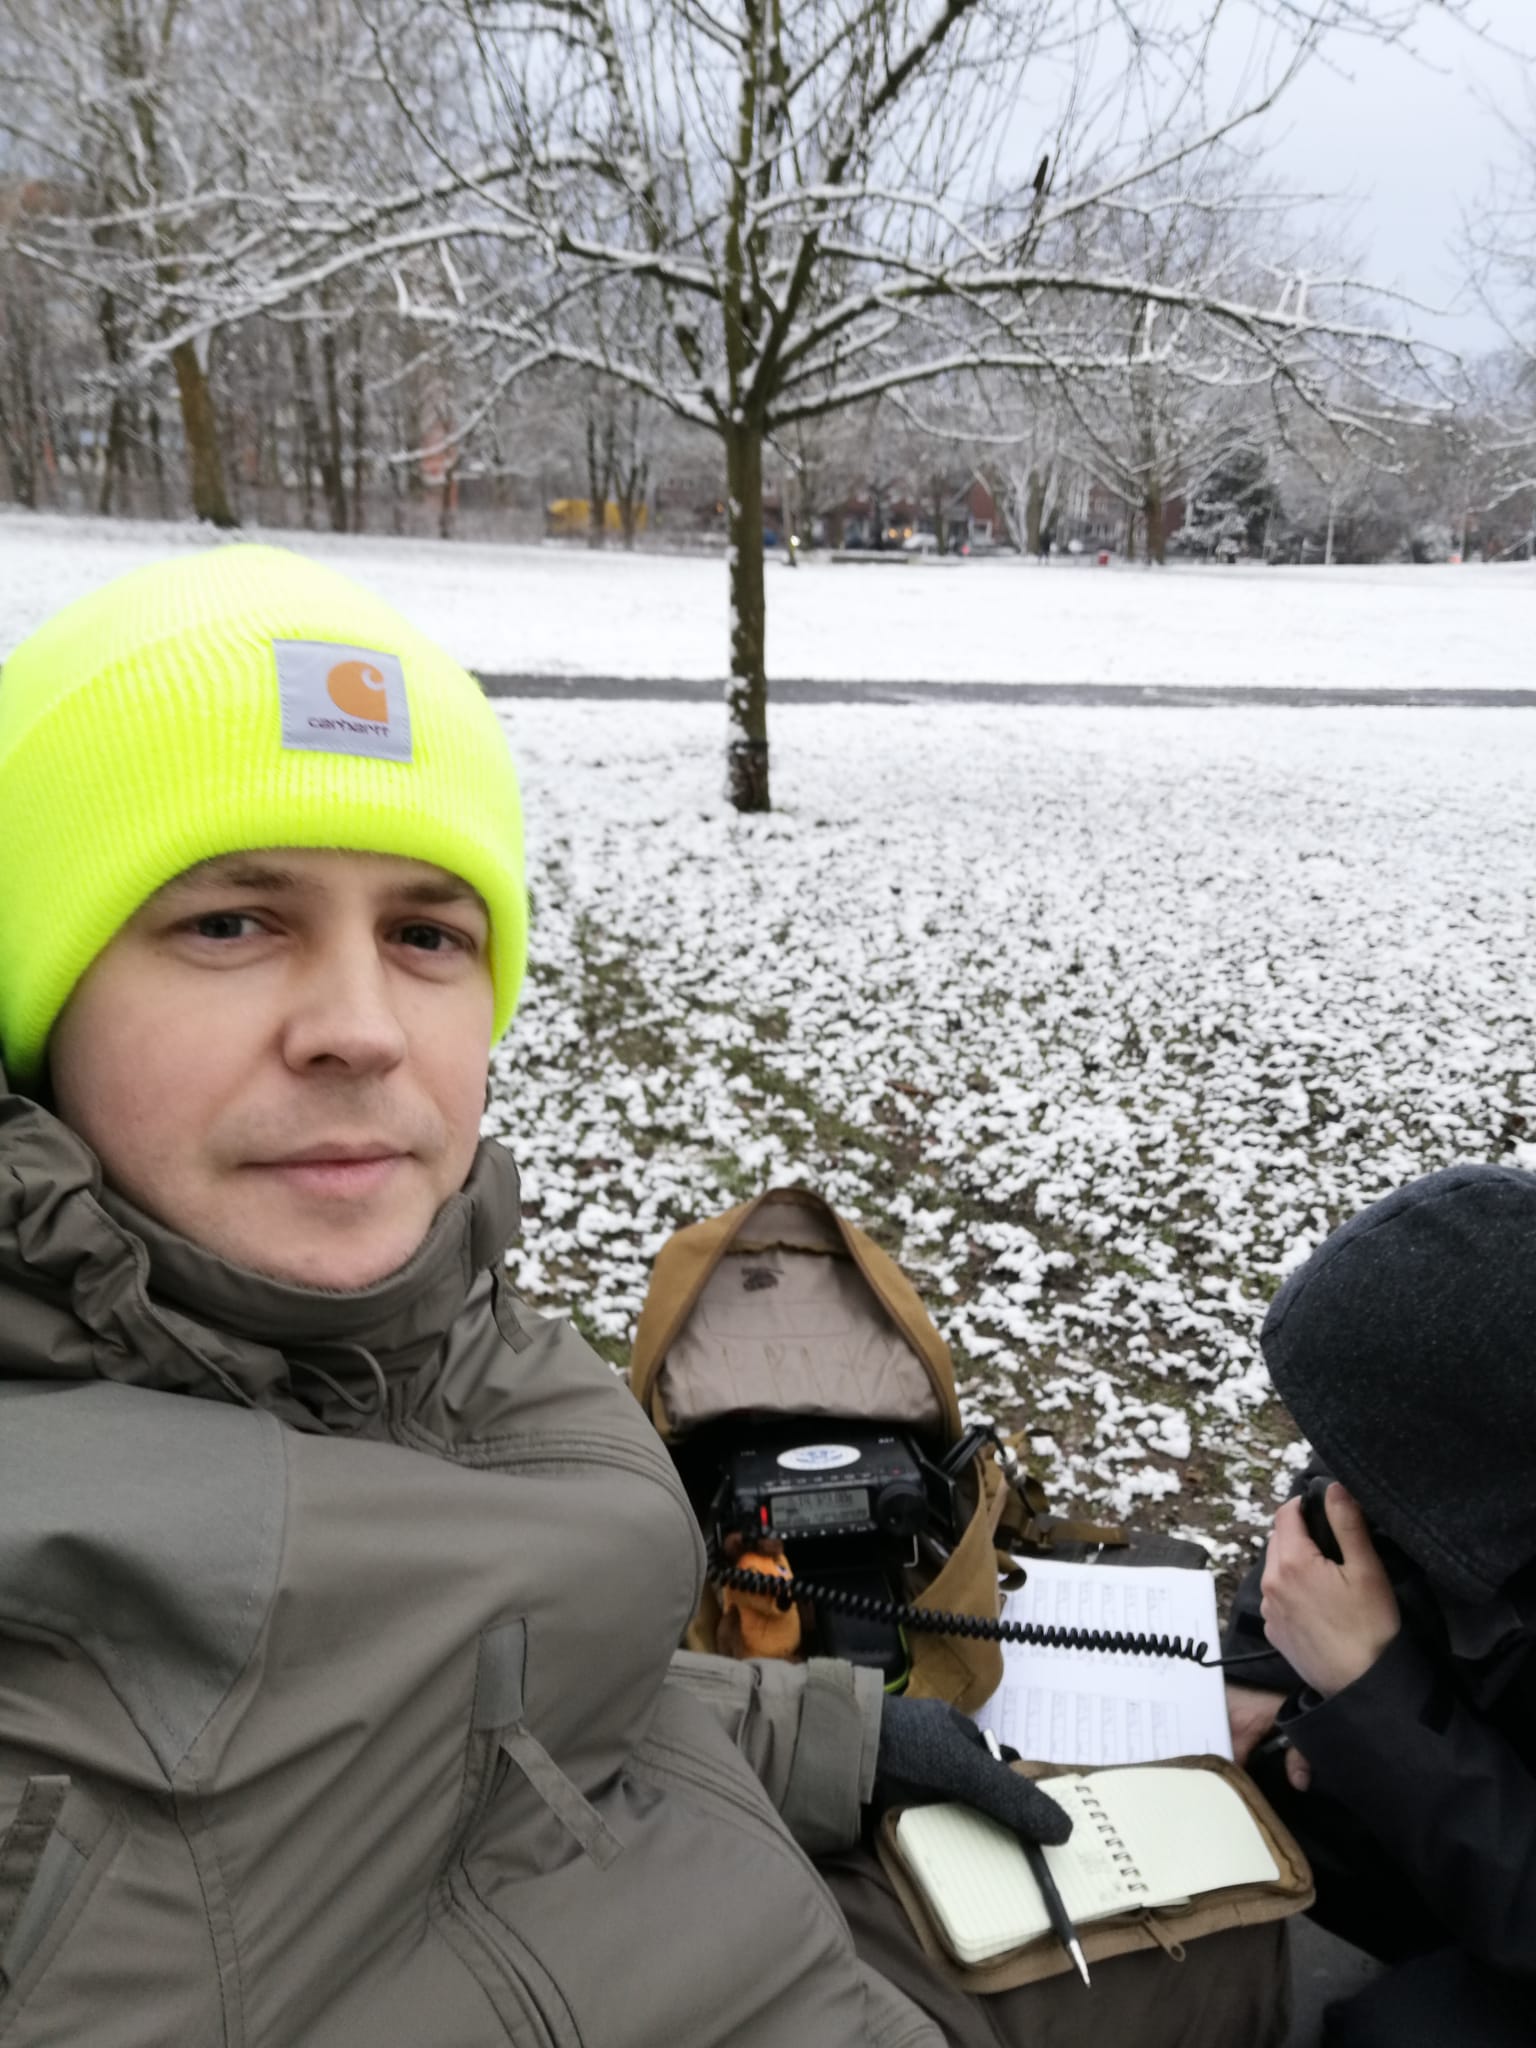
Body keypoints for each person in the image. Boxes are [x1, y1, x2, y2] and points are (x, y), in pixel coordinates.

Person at [0, 545, 1283, 2046]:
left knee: (1256, 1929)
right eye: (230, 922)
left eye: (426, 933)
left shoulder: (431, 1346)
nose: (360, 1028)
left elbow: (440, 1703)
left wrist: (815, 1734)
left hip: (723, 1887)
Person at [1224, 1166, 1536, 2047]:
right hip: (1489, 1797)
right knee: (1264, 1789)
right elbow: (1350, 1488)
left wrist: (1372, 1693)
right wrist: (1263, 1662)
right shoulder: (1496, 1427)